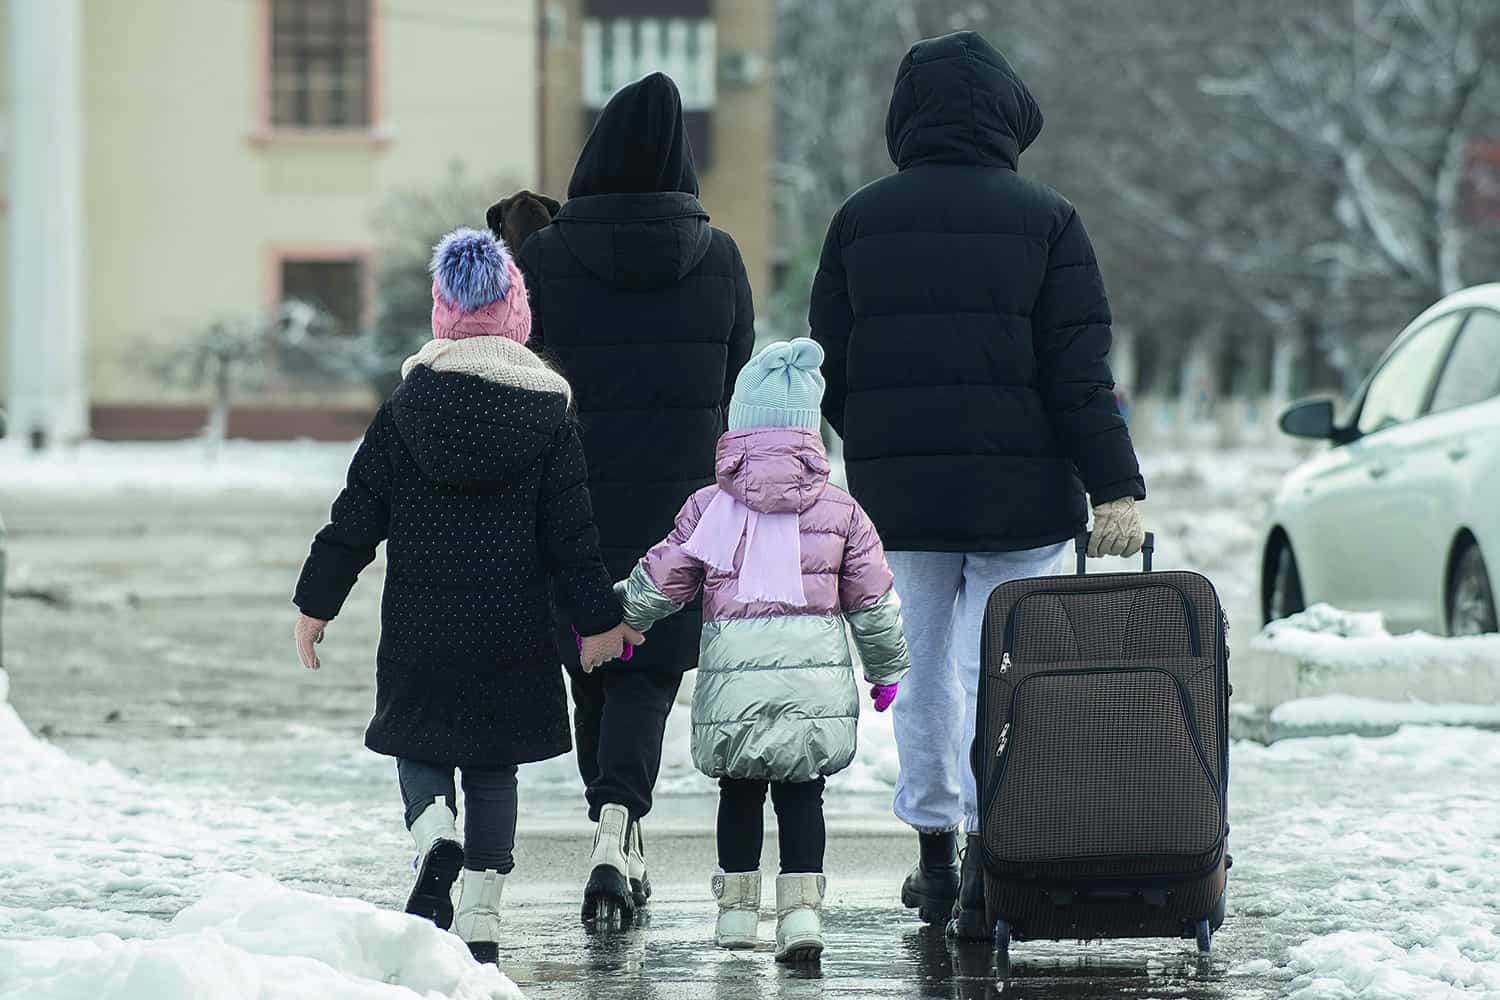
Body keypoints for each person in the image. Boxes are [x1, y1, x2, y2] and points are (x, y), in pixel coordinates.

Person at [807, 31, 1148, 939]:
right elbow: (1081, 375)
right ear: (1010, 113)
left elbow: (828, 367)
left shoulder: (859, 221)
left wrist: (877, 442)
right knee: (1005, 672)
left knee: (915, 676)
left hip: (897, 507)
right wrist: (1114, 485)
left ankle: (933, 853)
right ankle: (992, 863)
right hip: (1023, 500)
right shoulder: (1050, 219)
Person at [291, 228, 641, 963]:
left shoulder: (406, 407)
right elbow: (572, 538)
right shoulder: (551, 418)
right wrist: (599, 621)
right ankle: (481, 916)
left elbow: (358, 515)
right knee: (493, 767)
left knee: (415, 741)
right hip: (512, 627)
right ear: (518, 319)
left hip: (421, 619)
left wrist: (316, 601)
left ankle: (433, 836)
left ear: (442, 318)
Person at [516, 71, 757, 925]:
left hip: (569, 490)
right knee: (647, 670)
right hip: (682, 504)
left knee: (595, 658)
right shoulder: (719, 256)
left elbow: (521, 367)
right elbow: (738, 376)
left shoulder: (543, 256)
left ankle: (612, 825)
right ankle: (620, 826)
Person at [613, 339, 911, 962]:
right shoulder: (842, 511)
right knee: (804, 793)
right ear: (810, 434)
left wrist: (618, 622)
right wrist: (886, 672)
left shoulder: (710, 508)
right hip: (814, 691)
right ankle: (802, 916)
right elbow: (871, 603)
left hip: (735, 689)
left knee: (740, 791)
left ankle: (737, 917)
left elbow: (665, 578)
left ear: (737, 429)